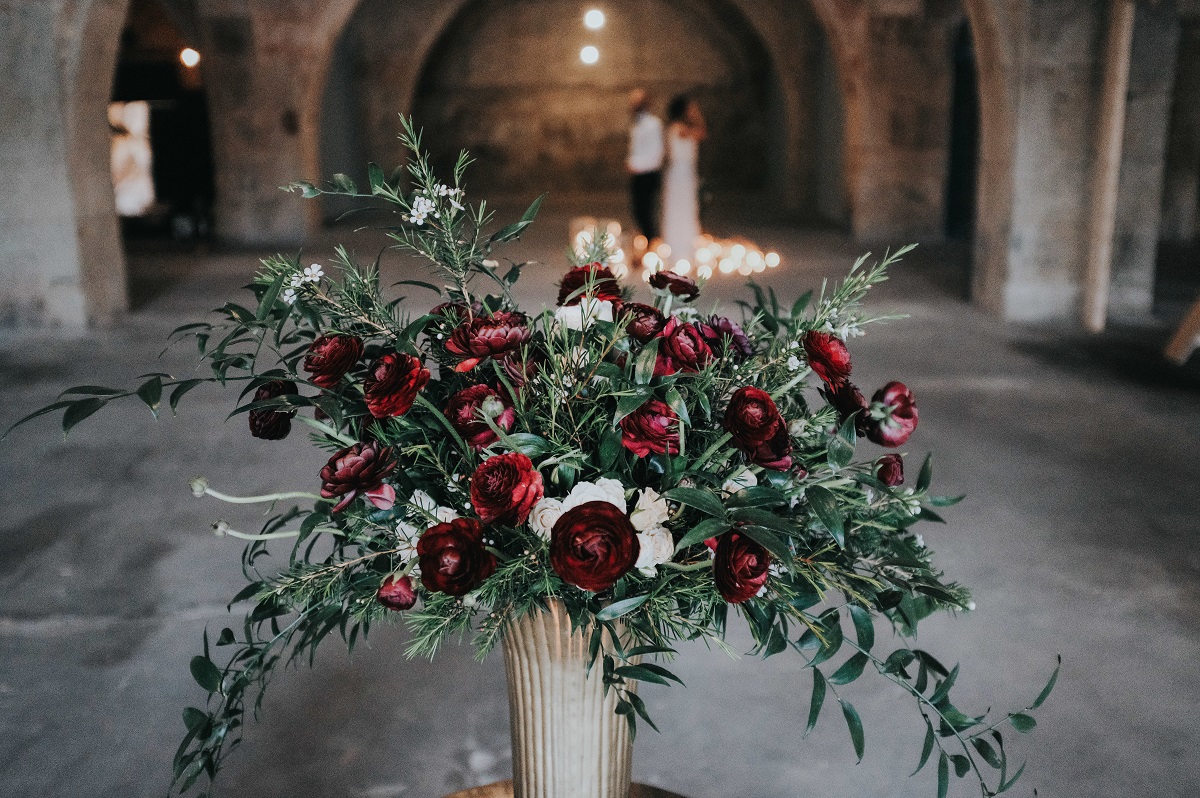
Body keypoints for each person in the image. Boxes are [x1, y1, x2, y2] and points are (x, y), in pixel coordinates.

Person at [661, 93, 706, 268]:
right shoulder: (679, 128)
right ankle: (678, 248)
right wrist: (696, 115)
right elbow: (702, 133)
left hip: (686, 171)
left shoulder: (679, 127)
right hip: (680, 172)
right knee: (680, 208)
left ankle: (687, 246)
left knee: (688, 207)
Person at [625, 88, 664, 244]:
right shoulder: (637, 124)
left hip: (648, 174)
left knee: (646, 212)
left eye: (637, 100)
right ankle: (646, 243)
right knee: (637, 211)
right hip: (638, 174)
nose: (633, 104)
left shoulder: (653, 124)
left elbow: (656, 153)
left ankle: (652, 244)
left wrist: (635, 165)